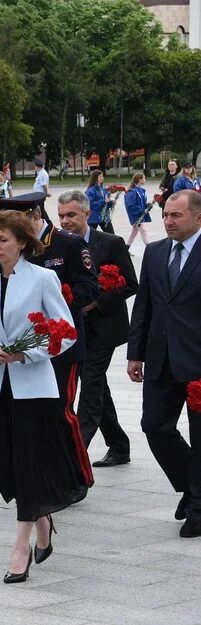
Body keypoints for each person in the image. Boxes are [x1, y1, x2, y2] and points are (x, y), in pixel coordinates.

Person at [0, 210, 89, 583]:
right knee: (5, 466)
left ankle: (20, 544)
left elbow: (66, 332)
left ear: (21, 242)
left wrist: (26, 353)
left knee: (27, 463)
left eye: (3, 239)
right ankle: (43, 519)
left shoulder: (43, 278)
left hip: (33, 387)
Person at [0, 192, 99, 467]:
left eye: (18, 221)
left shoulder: (67, 244)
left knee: (60, 411)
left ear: (36, 216)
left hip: (60, 346)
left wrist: (60, 297)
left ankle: (76, 474)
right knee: (32, 416)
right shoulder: (4, 252)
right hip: (20, 350)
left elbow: (90, 287)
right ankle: (45, 470)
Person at [127, 189, 201, 539]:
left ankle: (199, 508)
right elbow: (144, 306)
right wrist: (134, 352)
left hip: (198, 362)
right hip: (161, 359)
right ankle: (192, 484)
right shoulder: (155, 253)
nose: (168, 221)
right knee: (155, 426)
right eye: (166, 215)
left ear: (198, 217)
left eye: (176, 216)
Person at [56, 191, 135, 468]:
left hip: (104, 327)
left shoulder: (111, 243)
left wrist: (96, 302)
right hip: (73, 330)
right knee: (98, 385)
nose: (65, 221)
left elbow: (130, 284)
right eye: (61, 215)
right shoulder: (59, 246)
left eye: (71, 215)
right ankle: (119, 445)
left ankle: (77, 455)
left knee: (89, 384)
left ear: (87, 214)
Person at [124, 172, 152, 249]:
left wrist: (148, 206)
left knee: (135, 231)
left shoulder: (141, 191)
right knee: (143, 231)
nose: (145, 180)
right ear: (140, 180)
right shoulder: (132, 192)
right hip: (135, 215)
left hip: (140, 214)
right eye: (144, 178)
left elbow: (142, 203)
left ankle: (126, 248)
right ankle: (150, 248)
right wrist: (141, 211)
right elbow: (130, 205)